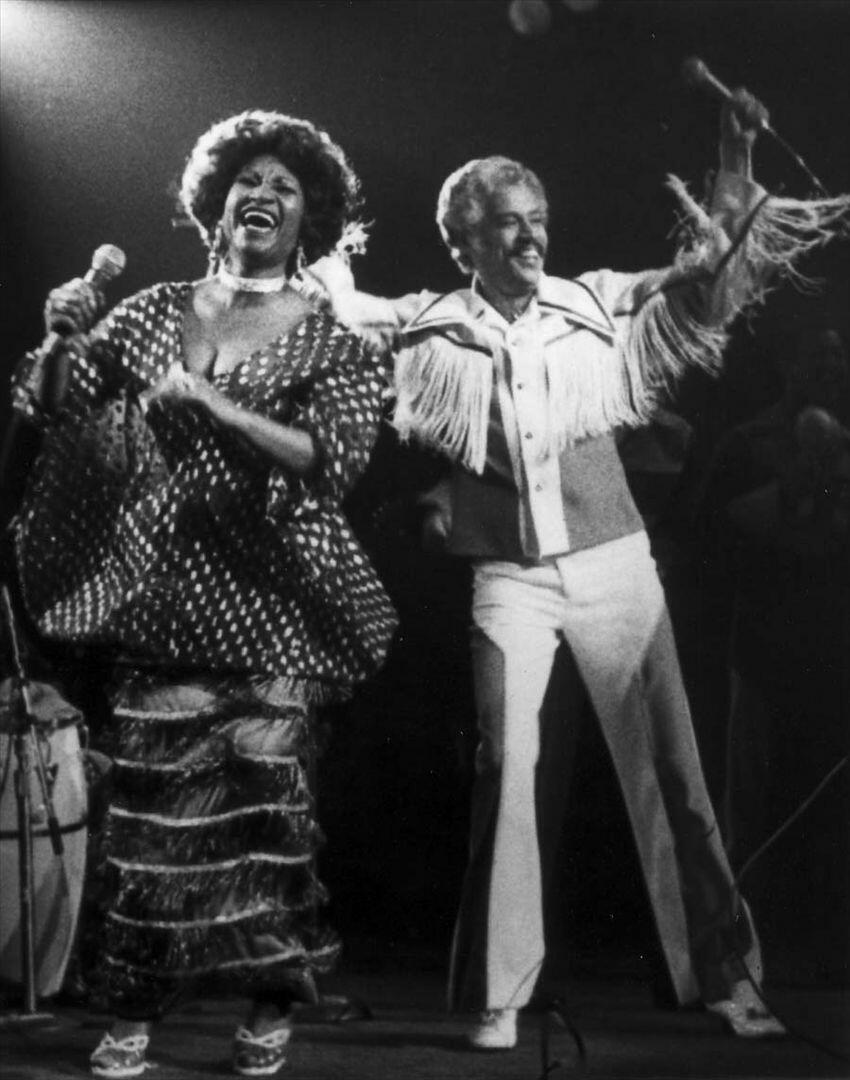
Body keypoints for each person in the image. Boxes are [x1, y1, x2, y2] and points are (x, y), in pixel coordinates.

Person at [313, 88, 850, 1048]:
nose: (530, 236)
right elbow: (332, 310)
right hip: (510, 581)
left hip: (615, 565)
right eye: (507, 222)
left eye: (539, 218)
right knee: (506, 767)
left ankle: (726, 976)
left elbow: (713, 276)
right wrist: (312, 236)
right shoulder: (428, 322)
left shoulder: (595, 298)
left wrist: (733, 155)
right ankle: (501, 991)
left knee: (674, 771)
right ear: (464, 241)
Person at [6, 110, 397, 1078]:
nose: (262, 194)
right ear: (216, 204)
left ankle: (269, 1005)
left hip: (279, 605)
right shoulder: (148, 311)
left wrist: (214, 404)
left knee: (267, 815)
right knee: (152, 820)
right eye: (247, 181)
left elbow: (330, 461)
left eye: (285, 186)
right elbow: (57, 410)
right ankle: (134, 1012)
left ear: (309, 218)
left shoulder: (332, 340)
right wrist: (60, 343)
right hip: (165, 600)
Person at [697, 326, 850, 982]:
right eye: (817, 354)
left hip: (833, 652)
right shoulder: (748, 443)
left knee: (829, 805)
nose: (830, 366)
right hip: (761, 647)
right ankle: (735, 954)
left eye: (838, 357)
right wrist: (781, 503)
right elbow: (708, 535)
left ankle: (827, 952)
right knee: (749, 807)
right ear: (790, 364)